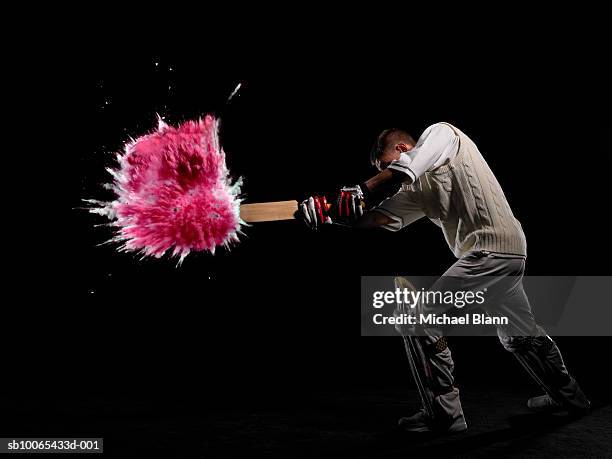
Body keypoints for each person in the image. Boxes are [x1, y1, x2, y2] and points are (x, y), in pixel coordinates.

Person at [298, 122, 591, 434]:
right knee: (519, 335)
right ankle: (570, 398)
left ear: (401, 149)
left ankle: (444, 414)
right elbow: (375, 218)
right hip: (504, 253)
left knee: (417, 319)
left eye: (384, 166)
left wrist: (363, 188)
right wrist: (327, 214)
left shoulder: (443, 135)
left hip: (489, 250)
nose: (385, 176)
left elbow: (399, 172)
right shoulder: (416, 189)